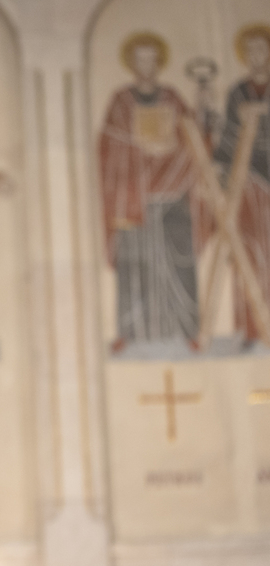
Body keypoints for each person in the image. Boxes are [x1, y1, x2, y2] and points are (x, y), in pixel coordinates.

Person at [98, 32, 211, 353]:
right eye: (140, 59)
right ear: (132, 64)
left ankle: (188, 329)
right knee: (133, 265)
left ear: (159, 63)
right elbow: (108, 144)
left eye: (151, 59)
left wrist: (202, 109)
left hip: (173, 192)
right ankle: (129, 331)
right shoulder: (121, 101)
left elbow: (194, 138)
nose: (146, 66)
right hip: (134, 197)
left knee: (180, 261)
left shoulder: (172, 98)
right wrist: (139, 148)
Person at [212, 24, 270, 345]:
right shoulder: (237, 92)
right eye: (250, 51)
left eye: (261, 49)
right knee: (249, 248)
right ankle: (251, 327)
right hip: (250, 180)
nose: (255, 56)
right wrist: (220, 171)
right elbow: (229, 137)